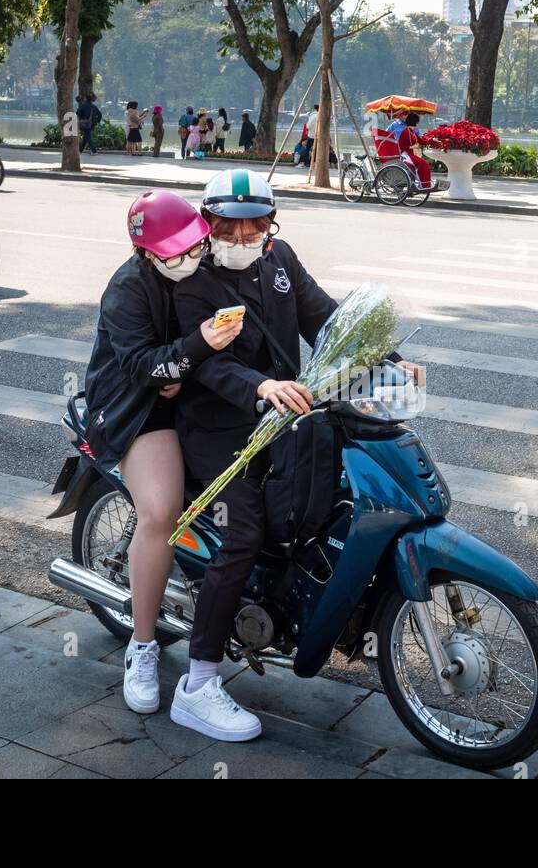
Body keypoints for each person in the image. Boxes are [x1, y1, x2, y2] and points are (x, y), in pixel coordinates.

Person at [170, 169, 423, 741]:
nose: (241, 238)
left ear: (269, 224)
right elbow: (205, 362)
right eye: (228, 228)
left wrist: (383, 359)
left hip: (290, 417)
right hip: (218, 427)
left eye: (253, 226)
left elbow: (328, 321)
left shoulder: (281, 259)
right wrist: (259, 387)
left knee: (332, 501)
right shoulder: (194, 279)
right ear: (207, 225)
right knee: (244, 532)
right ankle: (200, 683)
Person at [83, 189, 243, 714]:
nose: (190, 259)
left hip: (192, 393)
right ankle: (143, 646)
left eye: (195, 247)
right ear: (148, 253)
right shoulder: (127, 289)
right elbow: (143, 369)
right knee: (161, 512)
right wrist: (193, 351)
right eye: (176, 253)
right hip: (133, 406)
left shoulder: (202, 268)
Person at [397, 112, 433, 190]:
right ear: (414, 122)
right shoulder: (405, 132)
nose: (418, 124)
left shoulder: (412, 132)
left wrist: (432, 140)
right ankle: (424, 185)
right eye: (417, 122)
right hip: (406, 154)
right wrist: (410, 147)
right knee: (422, 163)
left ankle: (425, 184)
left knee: (425, 164)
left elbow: (421, 141)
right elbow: (400, 145)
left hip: (412, 154)